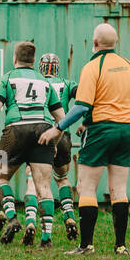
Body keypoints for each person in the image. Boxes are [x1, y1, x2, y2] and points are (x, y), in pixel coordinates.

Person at [39, 23, 130, 255]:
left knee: (86, 186)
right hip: (126, 131)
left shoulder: (92, 67)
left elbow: (81, 106)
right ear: (115, 42)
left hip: (100, 131)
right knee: (119, 188)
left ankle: (86, 245)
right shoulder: (129, 66)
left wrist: (58, 127)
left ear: (94, 43)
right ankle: (120, 246)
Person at [0, 41, 65, 247]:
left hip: (14, 133)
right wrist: (54, 141)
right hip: (43, 131)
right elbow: (62, 117)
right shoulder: (45, 82)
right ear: (34, 61)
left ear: (15, 59)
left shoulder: (6, 78)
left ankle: (11, 218)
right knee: (44, 185)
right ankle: (46, 238)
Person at [38, 52, 79, 241]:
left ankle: (39, 225)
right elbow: (83, 96)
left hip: (41, 133)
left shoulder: (37, 82)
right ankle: (69, 215)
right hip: (62, 133)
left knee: (37, 182)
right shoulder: (67, 83)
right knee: (62, 179)